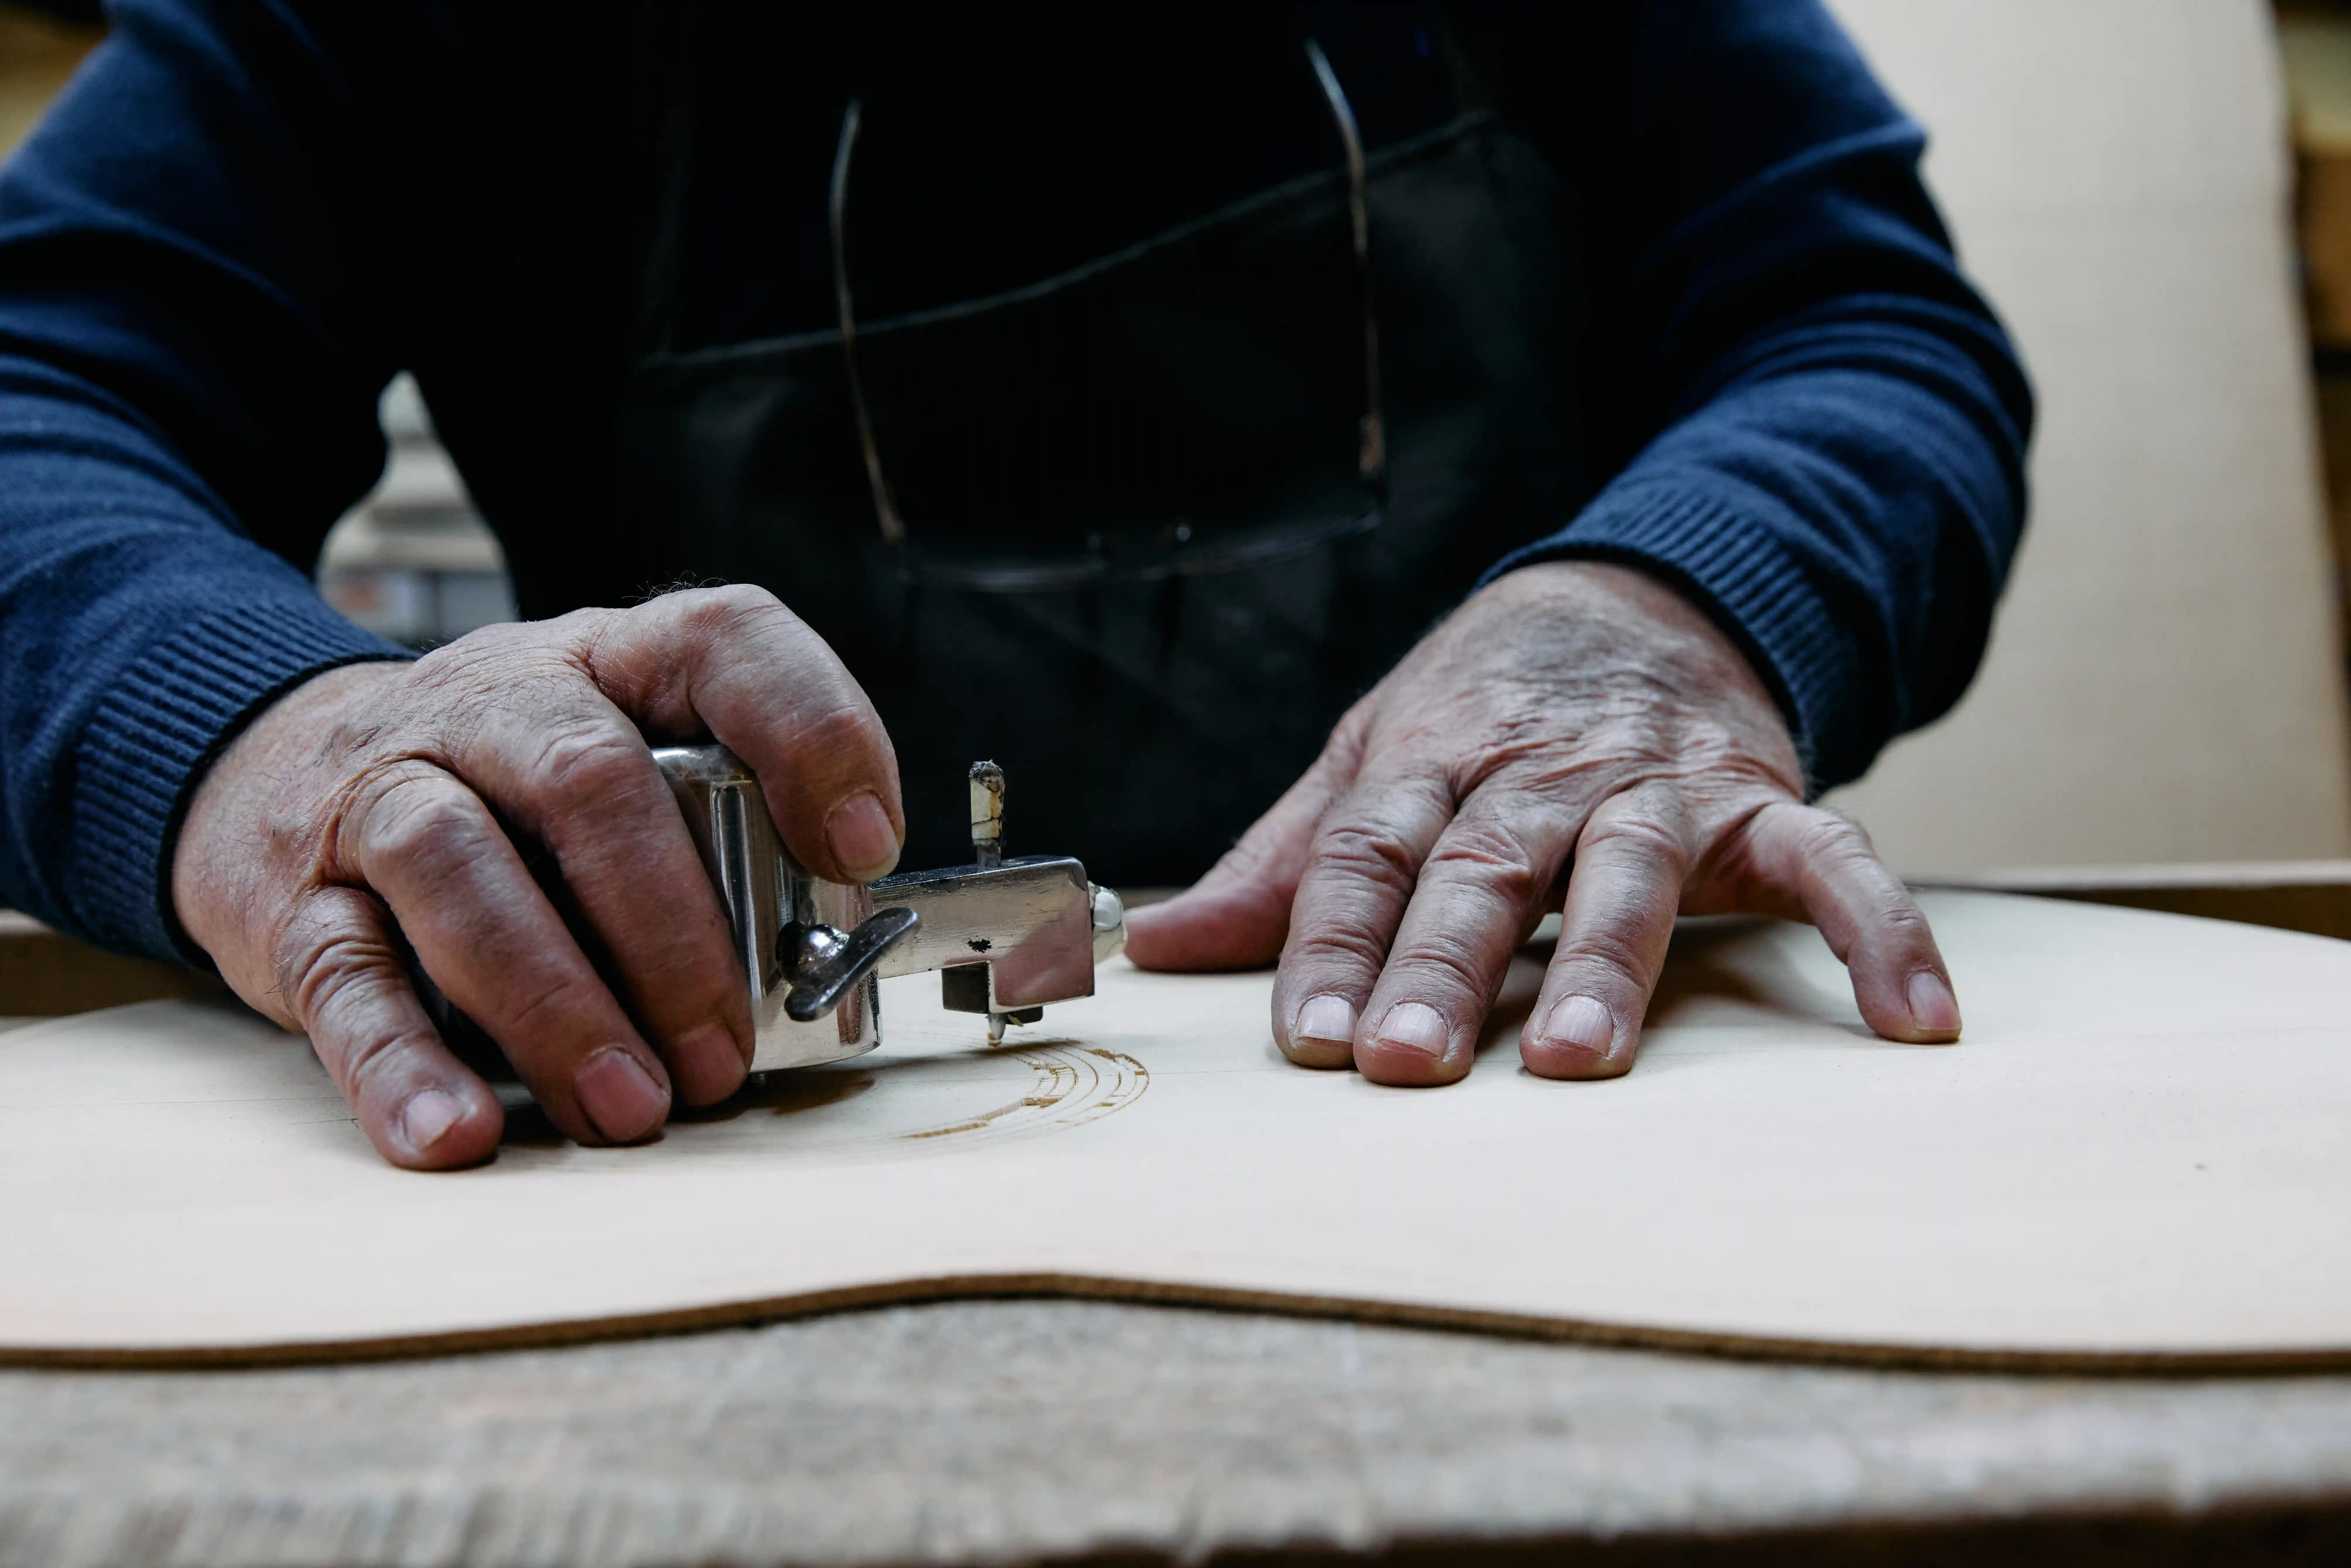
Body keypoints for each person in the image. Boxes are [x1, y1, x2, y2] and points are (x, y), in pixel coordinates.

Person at [0, 2, 2030, 1169]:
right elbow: (34, 408)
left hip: (1537, 1093)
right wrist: (259, 735)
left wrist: (1663, 612)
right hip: (714, 1175)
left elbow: (1859, 321)